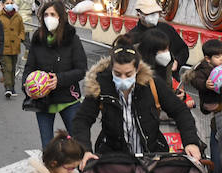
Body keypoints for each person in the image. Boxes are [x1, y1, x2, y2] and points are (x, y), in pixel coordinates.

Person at [71, 42, 203, 163]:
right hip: (115, 160)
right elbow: (82, 119)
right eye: (117, 74)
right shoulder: (100, 85)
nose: (123, 79)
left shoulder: (152, 83)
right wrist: (85, 150)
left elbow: (180, 111)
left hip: (152, 157)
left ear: (138, 68)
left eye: (128, 74)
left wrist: (190, 142)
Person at [19, 1, 90, 146]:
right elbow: (29, 66)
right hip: (43, 100)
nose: (48, 18)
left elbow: (81, 69)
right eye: (45, 15)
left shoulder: (72, 39)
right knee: (47, 146)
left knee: (78, 144)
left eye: (52, 14)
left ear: (61, 17)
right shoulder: (37, 38)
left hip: (69, 100)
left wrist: (59, 79)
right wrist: (27, 84)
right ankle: (50, 168)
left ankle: (84, 169)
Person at [131, 0, 188, 70]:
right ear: (139, 14)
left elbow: (183, 50)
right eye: (150, 13)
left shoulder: (167, 28)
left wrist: (177, 62)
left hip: (170, 75)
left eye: (156, 12)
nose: (154, 16)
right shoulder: (132, 36)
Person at [0, 0, 26, 99]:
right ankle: (8, 88)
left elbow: (22, 30)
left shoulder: (18, 16)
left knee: (13, 68)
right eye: (7, 3)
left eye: (11, 3)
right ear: (3, 4)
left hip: (15, 46)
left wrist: (20, 38)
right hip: (4, 47)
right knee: (7, 68)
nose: (9, 5)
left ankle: (12, 86)